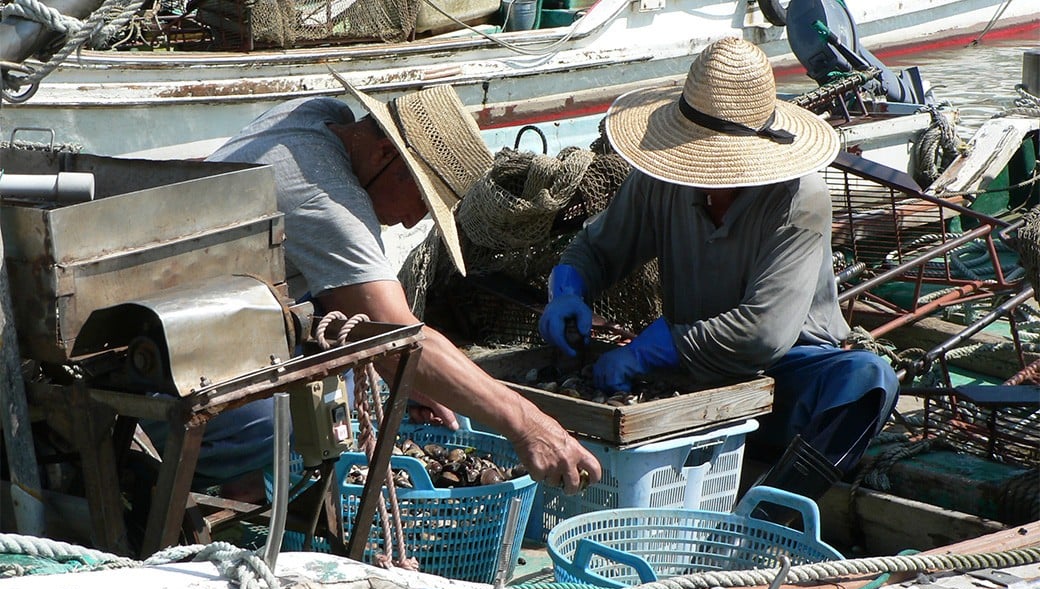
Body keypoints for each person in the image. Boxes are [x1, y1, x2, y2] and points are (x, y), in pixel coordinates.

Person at [538, 37, 899, 515]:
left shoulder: (800, 198)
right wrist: (569, 289)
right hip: (687, 373)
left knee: (869, 379)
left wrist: (653, 348)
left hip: (779, 377)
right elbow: (598, 248)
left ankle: (770, 514)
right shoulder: (660, 175)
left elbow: (763, 335)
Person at [203, 77, 602, 495]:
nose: (413, 222)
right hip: (185, 390)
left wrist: (411, 381)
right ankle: (246, 496)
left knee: (384, 381)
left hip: (193, 322)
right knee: (344, 409)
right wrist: (529, 424)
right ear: (385, 153)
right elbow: (396, 342)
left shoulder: (317, 116)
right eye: (422, 202)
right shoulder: (330, 205)